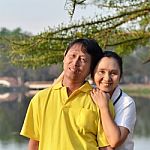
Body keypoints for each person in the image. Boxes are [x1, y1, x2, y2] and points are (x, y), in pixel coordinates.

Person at [20, 38, 115, 150]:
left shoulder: (100, 100)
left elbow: (105, 147)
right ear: (64, 57)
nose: (75, 63)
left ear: (91, 68)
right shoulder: (40, 99)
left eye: (83, 59)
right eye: (72, 56)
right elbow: (34, 143)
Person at [91, 51, 136, 150]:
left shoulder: (126, 103)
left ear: (120, 76)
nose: (107, 78)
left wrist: (104, 107)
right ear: (92, 74)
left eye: (113, 73)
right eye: (101, 72)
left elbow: (115, 141)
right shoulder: (88, 94)